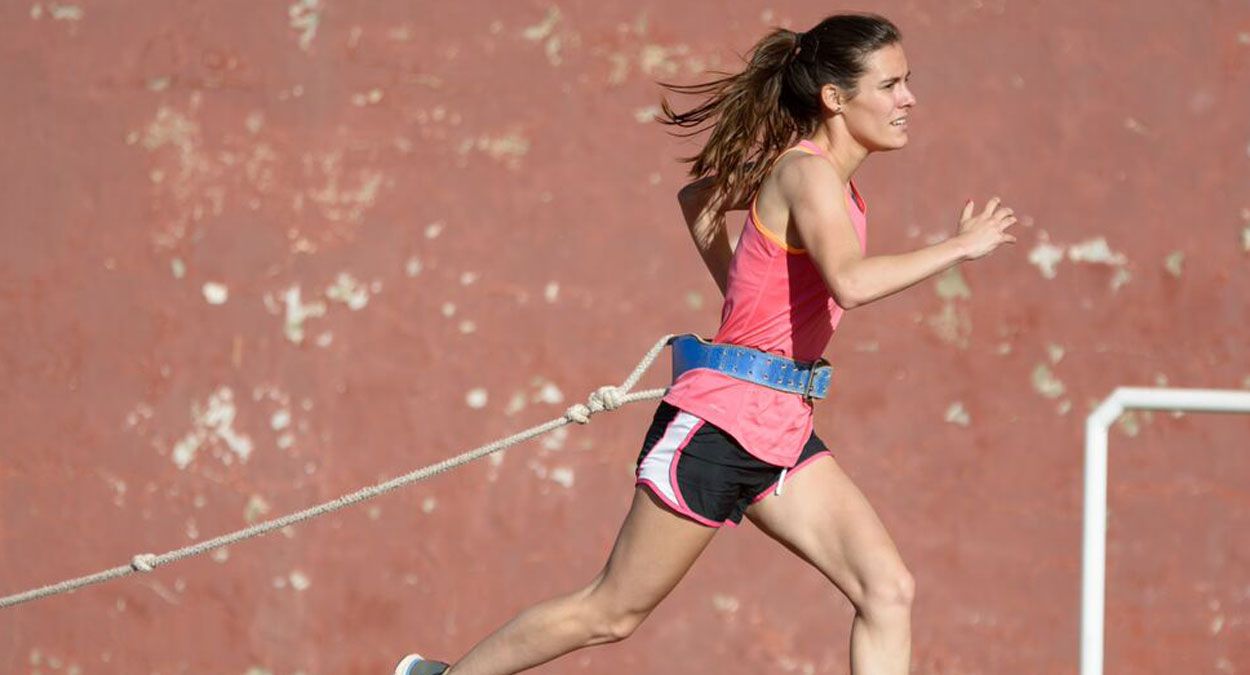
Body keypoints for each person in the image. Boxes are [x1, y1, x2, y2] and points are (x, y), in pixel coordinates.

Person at [396, 12, 1016, 675]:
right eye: (890, 85)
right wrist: (959, 247)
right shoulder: (807, 175)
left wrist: (746, 295)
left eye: (908, 82)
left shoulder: (832, 185)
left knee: (887, 588)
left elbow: (700, 199)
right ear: (835, 98)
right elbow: (852, 282)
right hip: (718, 425)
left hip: (780, 426)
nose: (908, 99)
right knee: (613, 611)